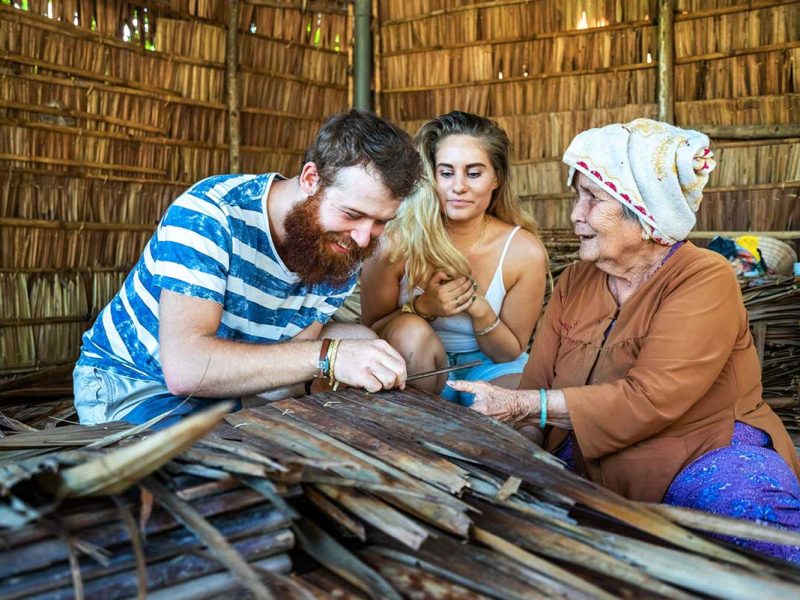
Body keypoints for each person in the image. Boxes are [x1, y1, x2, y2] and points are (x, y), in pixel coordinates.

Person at [449, 118, 800, 561]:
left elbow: (650, 398)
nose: (575, 213)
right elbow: (536, 387)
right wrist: (511, 444)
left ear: (644, 213)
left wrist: (525, 405)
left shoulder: (703, 277)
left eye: (591, 198)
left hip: (698, 453)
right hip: (593, 460)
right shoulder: (576, 280)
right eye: (577, 196)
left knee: (759, 528)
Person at [73, 110, 423, 429]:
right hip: (137, 383)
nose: (364, 239)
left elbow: (292, 352)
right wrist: (329, 357)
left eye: (380, 222)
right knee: (214, 487)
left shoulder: (343, 246)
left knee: (362, 343)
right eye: (352, 214)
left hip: (234, 388)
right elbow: (185, 368)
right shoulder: (211, 215)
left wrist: (339, 364)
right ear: (311, 178)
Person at [360, 111, 548, 403]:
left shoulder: (523, 250)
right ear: (431, 176)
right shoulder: (396, 242)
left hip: (490, 366)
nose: (458, 186)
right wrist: (424, 307)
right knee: (410, 331)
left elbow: (509, 352)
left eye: (473, 173)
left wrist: (479, 310)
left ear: (496, 178)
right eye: (446, 173)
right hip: (418, 367)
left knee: (520, 423)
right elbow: (370, 331)